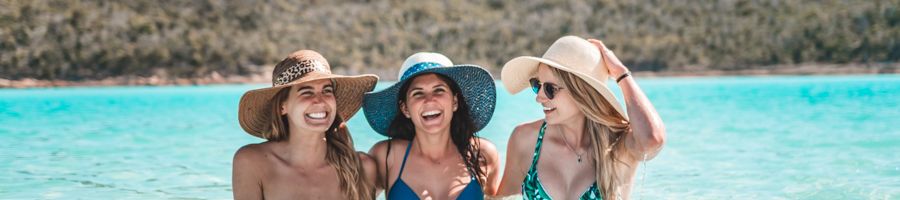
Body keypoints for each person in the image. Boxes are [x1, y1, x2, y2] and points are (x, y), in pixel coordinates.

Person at [495, 36, 666, 200]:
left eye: (550, 89)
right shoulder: (525, 140)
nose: (539, 97)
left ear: (581, 92)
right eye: (537, 85)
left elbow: (652, 139)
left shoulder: (618, 145)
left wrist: (621, 74)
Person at [232, 50, 378, 200]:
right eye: (306, 92)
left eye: (327, 91)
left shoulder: (362, 168)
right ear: (283, 106)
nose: (320, 101)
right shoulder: (252, 162)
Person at [363, 52, 501, 199]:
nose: (429, 100)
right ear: (405, 109)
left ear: (455, 102)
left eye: (439, 90)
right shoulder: (386, 156)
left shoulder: (482, 154)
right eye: (418, 93)